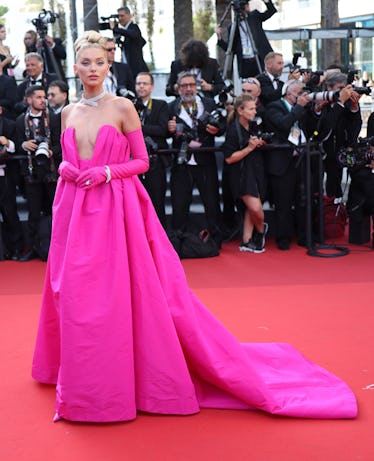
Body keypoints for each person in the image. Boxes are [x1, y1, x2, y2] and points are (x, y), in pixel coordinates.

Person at [31, 31, 357, 423]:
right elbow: (67, 160)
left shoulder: (122, 108)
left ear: (109, 64)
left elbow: (142, 162)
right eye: (85, 63)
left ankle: (121, 380)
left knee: (120, 293)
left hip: (116, 210)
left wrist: (104, 171)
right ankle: (84, 378)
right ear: (75, 66)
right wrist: (67, 169)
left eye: (99, 63)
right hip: (75, 211)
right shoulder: (67, 111)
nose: (92, 70)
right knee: (75, 292)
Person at [167, 71, 225, 236]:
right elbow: (165, 133)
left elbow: (222, 129)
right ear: (178, 89)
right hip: (181, 164)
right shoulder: (171, 107)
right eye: (184, 86)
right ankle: (178, 239)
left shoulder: (209, 103)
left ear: (197, 86)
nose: (188, 89)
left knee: (212, 203)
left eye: (191, 85)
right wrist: (169, 129)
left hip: (206, 162)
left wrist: (218, 129)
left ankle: (215, 239)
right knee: (179, 205)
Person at [264, 80, 313, 250]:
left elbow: (311, 127)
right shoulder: (274, 107)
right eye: (299, 92)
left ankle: (304, 236)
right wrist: (298, 107)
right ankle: (283, 238)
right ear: (288, 93)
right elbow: (283, 124)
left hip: (301, 160)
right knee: (283, 203)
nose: (302, 96)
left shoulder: (304, 108)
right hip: (282, 162)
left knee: (303, 200)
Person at [15, 85, 61, 261]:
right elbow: (17, 144)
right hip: (31, 173)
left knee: (55, 212)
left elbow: (60, 144)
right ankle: (34, 248)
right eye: (39, 97)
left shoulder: (55, 119)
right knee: (33, 213)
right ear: (29, 99)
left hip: (51, 172)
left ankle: (58, 248)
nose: (44, 100)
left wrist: (50, 151)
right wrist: (23, 144)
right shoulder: (20, 121)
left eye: (44, 97)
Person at [222, 94, 268, 253]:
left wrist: (259, 143)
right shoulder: (233, 130)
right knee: (255, 208)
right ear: (240, 111)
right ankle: (261, 232)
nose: (255, 111)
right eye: (251, 109)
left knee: (250, 207)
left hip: (256, 170)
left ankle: (246, 240)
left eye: (255, 108)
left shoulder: (254, 125)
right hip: (241, 174)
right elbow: (229, 158)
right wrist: (249, 148)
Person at [315, 72, 362, 198]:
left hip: (340, 149)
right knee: (318, 185)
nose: (344, 92)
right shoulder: (321, 101)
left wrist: (354, 107)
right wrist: (339, 102)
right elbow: (326, 125)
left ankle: (336, 210)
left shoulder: (348, 102)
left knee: (336, 184)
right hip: (321, 150)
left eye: (345, 88)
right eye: (340, 89)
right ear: (329, 88)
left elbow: (356, 124)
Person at [135, 71, 170, 227]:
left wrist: (138, 128)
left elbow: (163, 130)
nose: (141, 87)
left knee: (157, 202)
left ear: (152, 87)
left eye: (145, 83)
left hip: (155, 161)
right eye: (138, 83)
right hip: (134, 163)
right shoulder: (130, 105)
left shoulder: (160, 105)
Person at [215, 0, 277, 78]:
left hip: (260, 59)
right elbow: (230, 48)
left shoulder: (255, 17)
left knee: (263, 84)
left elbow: (271, 11)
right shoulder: (233, 27)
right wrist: (219, 37)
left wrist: (266, 1)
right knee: (248, 87)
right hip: (245, 64)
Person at [0, 106, 24, 260]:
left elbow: (18, 148)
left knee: (9, 212)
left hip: (6, 175)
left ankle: (16, 248)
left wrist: (7, 143)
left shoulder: (10, 125)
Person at [109, 6, 149, 78]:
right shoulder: (125, 31)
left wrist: (115, 28)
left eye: (122, 16)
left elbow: (132, 34)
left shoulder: (133, 27)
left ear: (129, 15)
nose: (120, 19)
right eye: (119, 16)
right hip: (129, 69)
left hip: (137, 70)